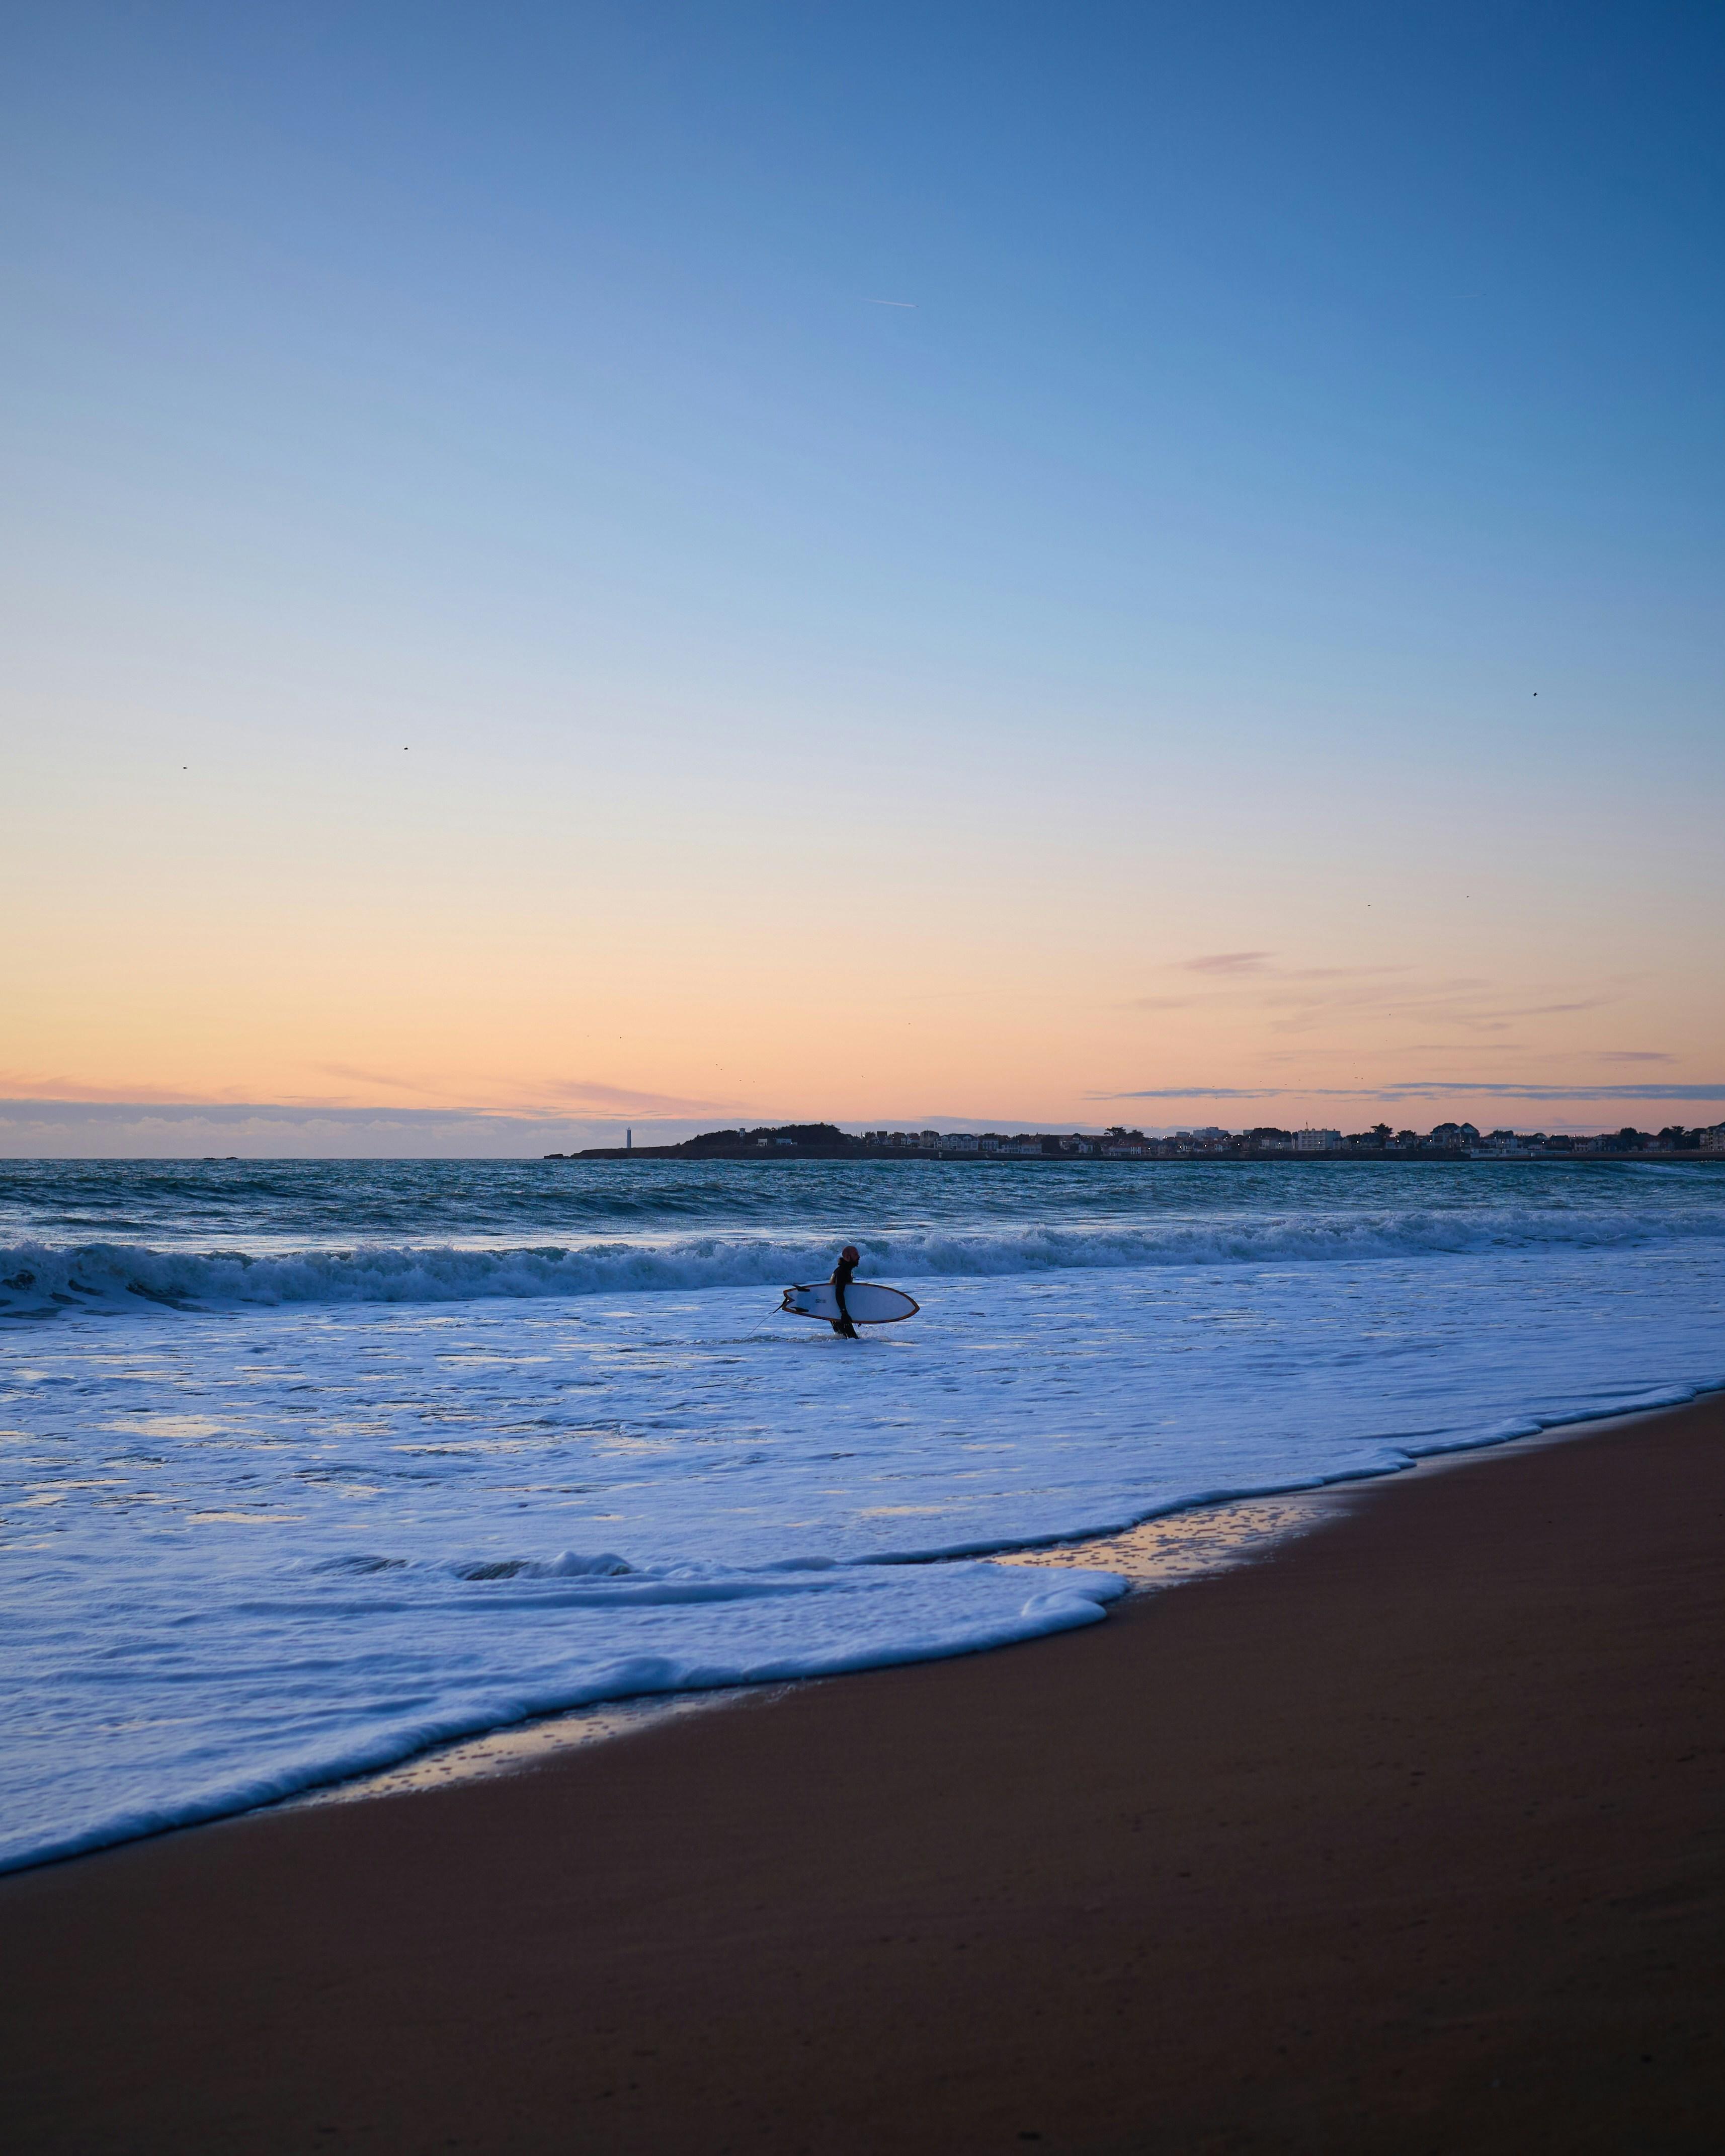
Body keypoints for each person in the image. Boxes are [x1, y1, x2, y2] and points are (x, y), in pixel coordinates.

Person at [829, 1245, 861, 1338]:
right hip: (838, 1312)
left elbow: (848, 1296)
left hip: (837, 1311)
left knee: (845, 1341)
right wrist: (843, 1313)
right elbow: (839, 1293)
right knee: (853, 1341)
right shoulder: (842, 1272)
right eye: (856, 1255)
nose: (859, 1257)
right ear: (847, 1257)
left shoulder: (847, 1270)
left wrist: (858, 1314)